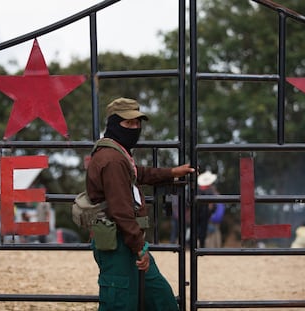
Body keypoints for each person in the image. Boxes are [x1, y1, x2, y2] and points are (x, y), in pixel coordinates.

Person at [86, 97, 195, 311]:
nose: (135, 128)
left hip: (126, 240)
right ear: (114, 124)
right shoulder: (112, 159)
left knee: (160, 297)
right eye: (128, 123)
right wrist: (139, 248)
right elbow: (121, 211)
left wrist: (171, 173)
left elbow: (138, 173)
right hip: (119, 241)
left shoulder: (118, 154)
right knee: (121, 303)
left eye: (137, 123)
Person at [197, 170, 218, 248]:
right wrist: (211, 211)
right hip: (205, 213)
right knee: (203, 230)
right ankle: (202, 246)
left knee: (197, 229)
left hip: (197, 213)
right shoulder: (210, 190)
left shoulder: (197, 190)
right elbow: (213, 204)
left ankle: (197, 245)